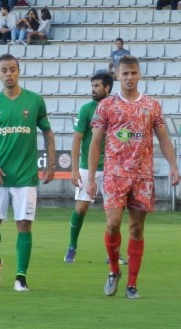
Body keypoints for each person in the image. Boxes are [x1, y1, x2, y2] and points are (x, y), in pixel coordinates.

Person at [87, 55, 180, 299]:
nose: (129, 78)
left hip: (142, 175)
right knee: (112, 224)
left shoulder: (151, 105)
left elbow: (164, 138)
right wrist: (90, 178)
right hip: (115, 173)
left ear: (139, 75)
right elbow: (95, 143)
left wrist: (173, 166)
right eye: (125, 73)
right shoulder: (106, 106)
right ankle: (114, 270)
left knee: (136, 229)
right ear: (117, 75)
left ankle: (132, 284)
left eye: (133, 73)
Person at [0, 53, 56, 292]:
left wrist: (50, 164)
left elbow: (48, 133)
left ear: (19, 71)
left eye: (12, 69)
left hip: (25, 175)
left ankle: (21, 277)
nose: (8, 74)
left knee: (24, 225)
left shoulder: (34, 101)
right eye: (4, 70)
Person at [64, 72, 119, 263]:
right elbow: (77, 140)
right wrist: (73, 170)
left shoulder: (117, 108)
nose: (93, 89)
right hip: (88, 166)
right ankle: (72, 246)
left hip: (112, 167)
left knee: (113, 211)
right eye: (92, 85)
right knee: (81, 207)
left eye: (97, 86)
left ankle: (112, 253)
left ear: (108, 88)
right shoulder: (86, 110)